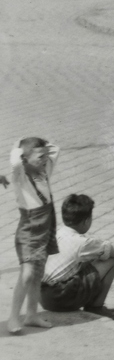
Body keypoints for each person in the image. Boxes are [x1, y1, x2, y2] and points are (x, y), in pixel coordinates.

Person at [40, 194, 114, 320]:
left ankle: (92, 304)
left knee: (94, 258)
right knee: (111, 260)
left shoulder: (56, 233)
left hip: (42, 296)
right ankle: (96, 307)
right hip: (59, 297)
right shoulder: (82, 243)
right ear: (86, 221)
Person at [7, 136, 59, 334]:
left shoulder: (44, 171)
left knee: (37, 273)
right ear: (25, 158)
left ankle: (31, 314)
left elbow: (56, 149)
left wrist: (42, 145)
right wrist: (20, 145)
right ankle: (13, 316)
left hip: (46, 227)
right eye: (40, 156)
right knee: (27, 274)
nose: (45, 159)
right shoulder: (20, 175)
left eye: (46, 156)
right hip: (29, 231)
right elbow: (14, 160)